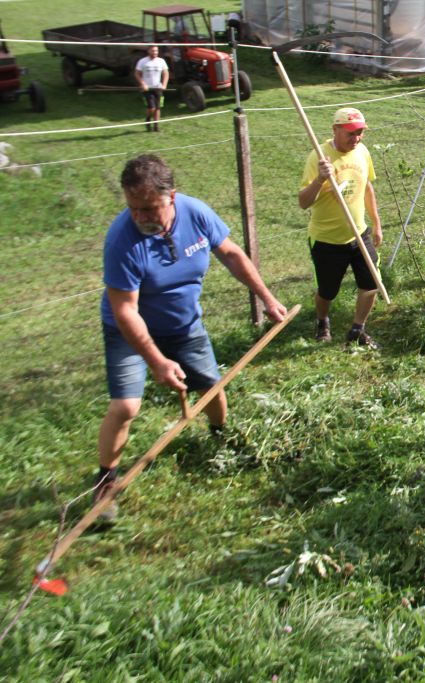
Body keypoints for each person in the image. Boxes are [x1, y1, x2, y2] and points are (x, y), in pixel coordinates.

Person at [96, 155, 288, 519]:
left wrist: (267, 298)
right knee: (126, 407)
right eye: (133, 208)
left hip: (183, 325)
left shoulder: (195, 213)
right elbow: (125, 310)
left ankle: (221, 438)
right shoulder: (122, 240)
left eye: (149, 208)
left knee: (212, 388)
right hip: (129, 330)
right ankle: (105, 482)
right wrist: (157, 360)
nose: (140, 217)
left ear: (172, 197)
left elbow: (231, 254)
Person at [298, 107, 384, 349]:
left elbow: (367, 188)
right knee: (328, 290)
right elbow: (303, 202)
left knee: (371, 284)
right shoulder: (318, 157)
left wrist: (376, 224)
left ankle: (357, 329)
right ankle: (322, 320)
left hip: (359, 233)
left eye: (360, 133)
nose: (356, 138)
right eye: (351, 133)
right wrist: (320, 180)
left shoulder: (362, 152)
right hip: (327, 239)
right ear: (335, 130)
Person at [134, 45, 169, 132]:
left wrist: (164, 85)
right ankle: (148, 119)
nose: (155, 53)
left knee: (158, 108)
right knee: (151, 108)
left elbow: (166, 73)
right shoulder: (142, 61)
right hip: (147, 89)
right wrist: (142, 84)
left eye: (156, 51)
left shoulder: (161, 61)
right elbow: (137, 73)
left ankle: (156, 126)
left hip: (158, 88)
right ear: (148, 51)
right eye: (153, 51)